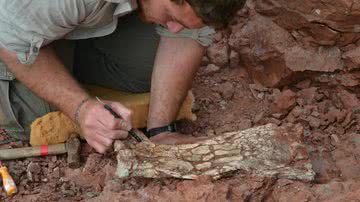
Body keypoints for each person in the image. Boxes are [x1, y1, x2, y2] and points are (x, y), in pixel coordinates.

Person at [0, 0, 246, 153]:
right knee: (38, 114)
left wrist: (161, 130)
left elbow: (192, 31)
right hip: (7, 30)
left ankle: (56, 48)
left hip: (58, 19)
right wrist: (80, 108)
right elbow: (9, 40)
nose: (173, 28)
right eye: (171, 17)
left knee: (147, 72)